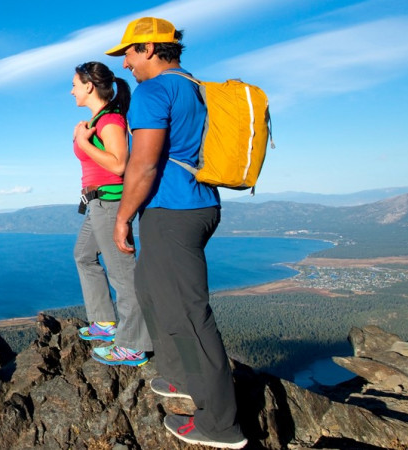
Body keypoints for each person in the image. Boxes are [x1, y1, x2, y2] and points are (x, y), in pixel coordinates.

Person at [105, 17, 248, 449]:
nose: (125, 63)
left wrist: (123, 216)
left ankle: (220, 425)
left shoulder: (153, 91)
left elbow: (144, 164)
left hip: (172, 212)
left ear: (149, 48)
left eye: (128, 53)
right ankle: (181, 378)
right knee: (150, 290)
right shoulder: (192, 86)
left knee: (189, 315)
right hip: (196, 207)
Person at [68, 61, 152, 366]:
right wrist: (84, 136)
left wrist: (83, 142)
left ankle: (134, 345)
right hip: (96, 204)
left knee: (123, 274)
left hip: (110, 204)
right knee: (83, 255)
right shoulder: (99, 120)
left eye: (75, 84)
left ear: (89, 86)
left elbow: (119, 164)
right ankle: (104, 322)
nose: (72, 90)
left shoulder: (110, 120)